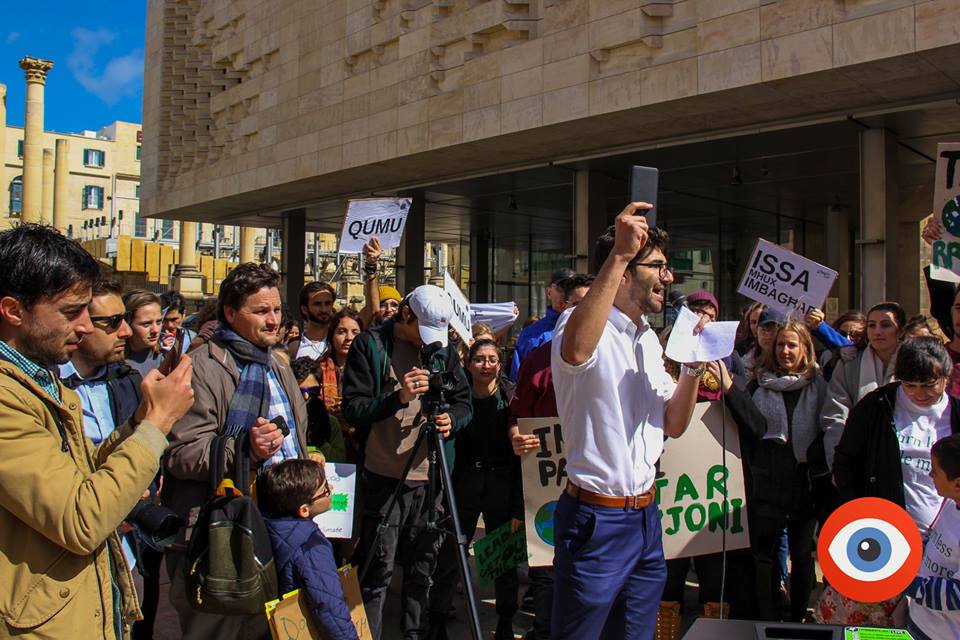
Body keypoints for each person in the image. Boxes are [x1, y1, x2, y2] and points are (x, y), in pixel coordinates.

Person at [0, 224, 194, 639]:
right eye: (72, 312)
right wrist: (156, 426)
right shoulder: (6, 397)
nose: (86, 326)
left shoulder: (35, 379)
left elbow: (81, 477)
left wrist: (138, 423)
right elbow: (82, 517)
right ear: (14, 311)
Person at [549, 204, 705, 639]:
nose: (669, 278)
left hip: (645, 520)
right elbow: (578, 351)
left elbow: (673, 424)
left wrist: (692, 366)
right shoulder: (575, 326)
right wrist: (618, 254)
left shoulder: (648, 341)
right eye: (658, 266)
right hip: (596, 522)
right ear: (623, 270)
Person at [163, 262, 309, 640]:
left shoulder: (276, 365)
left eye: (277, 310)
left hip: (276, 531)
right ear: (230, 313)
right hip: (221, 538)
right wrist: (245, 449)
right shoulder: (199, 367)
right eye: (261, 311)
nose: (274, 320)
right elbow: (181, 454)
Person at [341, 285, 472, 640]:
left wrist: (452, 421)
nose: (427, 341)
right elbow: (353, 409)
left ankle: (414, 634)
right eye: (422, 330)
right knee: (378, 571)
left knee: (422, 569)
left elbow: (464, 403)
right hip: (386, 476)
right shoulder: (370, 345)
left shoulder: (442, 351)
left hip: (432, 478)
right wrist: (398, 396)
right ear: (404, 314)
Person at [59, 279, 164, 640]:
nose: (125, 331)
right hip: (71, 554)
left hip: (131, 549)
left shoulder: (128, 380)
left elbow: (146, 452)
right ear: (79, 323)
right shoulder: (43, 389)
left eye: (125, 319)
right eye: (112, 322)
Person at [509, 273, 593, 640]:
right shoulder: (539, 358)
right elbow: (517, 414)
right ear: (562, 307)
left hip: (596, 488)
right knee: (546, 569)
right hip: (548, 482)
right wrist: (515, 435)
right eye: (577, 304)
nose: (584, 312)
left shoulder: (618, 355)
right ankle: (545, 631)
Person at [430, 339, 521, 640]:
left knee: (503, 554)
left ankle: (505, 621)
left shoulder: (510, 397)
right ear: (468, 364)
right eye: (479, 359)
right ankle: (438, 617)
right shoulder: (458, 397)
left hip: (501, 482)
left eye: (492, 359)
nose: (486, 365)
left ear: (500, 363)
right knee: (452, 553)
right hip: (465, 480)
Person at [740, 320, 827, 622]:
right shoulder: (757, 383)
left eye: (792, 344)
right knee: (764, 555)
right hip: (766, 480)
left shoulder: (819, 384)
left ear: (805, 348)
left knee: (802, 555)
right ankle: (768, 612)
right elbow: (748, 429)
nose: (785, 351)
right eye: (780, 344)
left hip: (804, 482)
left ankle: (799, 611)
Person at [834, 337, 960, 536]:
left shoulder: (956, 414)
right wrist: (859, 514)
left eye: (929, 385)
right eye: (910, 385)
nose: (919, 394)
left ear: (946, 377)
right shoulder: (876, 406)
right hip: (885, 533)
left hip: (947, 538)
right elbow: (846, 462)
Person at [258, 459, 359, 640]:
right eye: (325, 490)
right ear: (304, 510)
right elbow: (328, 604)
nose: (332, 490)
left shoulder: (269, 526)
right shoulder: (311, 547)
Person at [821, 302, 906, 470]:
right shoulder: (849, 364)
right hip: (858, 459)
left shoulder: (913, 363)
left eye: (885, 325)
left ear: (901, 331)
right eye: (872, 326)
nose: (877, 332)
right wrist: (839, 464)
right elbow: (835, 416)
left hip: (903, 460)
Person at [905, 433, 960, 640]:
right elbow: (935, 543)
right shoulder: (950, 503)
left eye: (935, 471)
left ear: (958, 484)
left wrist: (903, 583)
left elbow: (957, 593)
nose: (930, 475)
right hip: (919, 621)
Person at [507, 267, 575, 379]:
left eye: (570, 289)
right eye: (560, 288)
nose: (565, 294)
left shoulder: (589, 331)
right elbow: (518, 378)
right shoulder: (530, 334)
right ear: (549, 292)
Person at [317, 309, 364, 463]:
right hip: (325, 442)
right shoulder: (318, 368)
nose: (349, 338)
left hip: (361, 442)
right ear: (331, 334)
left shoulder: (368, 370)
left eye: (355, 332)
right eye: (342, 332)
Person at [292, 357, 347, 462]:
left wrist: (319, 440)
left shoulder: (330, 422)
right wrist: (310, 451)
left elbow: (340, 459)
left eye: (313, 390)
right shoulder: (285, 417)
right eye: (300, 391)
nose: (306, 396)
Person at [288, 281, 337, 360]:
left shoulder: (339, 343)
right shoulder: (292, 347)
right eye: (317, 304)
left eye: (327, 303)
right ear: (304, 309)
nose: (323, 309)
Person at [123, 290, 166, 377]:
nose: (155, 330)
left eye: (158, 322)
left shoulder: (165, 359)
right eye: (146, 324)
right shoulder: (112, 365)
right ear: (127, 324)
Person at [742, 307, 786, 380]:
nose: (768, 336)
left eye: (773, 330)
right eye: (764, 330)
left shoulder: (788, 362)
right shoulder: (747, 362)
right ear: (757, 332)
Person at [159, 290, 196, 354]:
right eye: (165, 320)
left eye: (174, 320)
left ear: (183, 314)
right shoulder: (153, 339)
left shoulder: (193, 339)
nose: (169, 325)